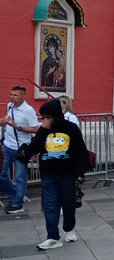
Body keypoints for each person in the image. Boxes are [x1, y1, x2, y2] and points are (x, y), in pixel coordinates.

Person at [20, 99, 90, 250]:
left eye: (47, 117)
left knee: (68, 203)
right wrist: (43, 130)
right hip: (48, 173)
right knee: (50, 204)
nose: (44, 120)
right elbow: (34, 147)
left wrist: (80, 172)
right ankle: (52, 236)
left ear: (55, 116)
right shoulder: (43, 130)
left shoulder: (71, 128)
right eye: (42, 117)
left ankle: (69, 228)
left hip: (67, 172)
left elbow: (80, 150)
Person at [1, 86, 39, 214]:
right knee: (1, 173)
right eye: (11, 94)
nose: (12, 97)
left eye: (16, 95)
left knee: (20, 177)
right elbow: (8, 120)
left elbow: (35, 128)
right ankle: (15, 195)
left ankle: (18, 203)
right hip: (7, 145)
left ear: (23, 96)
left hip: (21, 148)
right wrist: (5, 121)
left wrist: (17, 126)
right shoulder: (10, 106)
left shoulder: (28, 110)